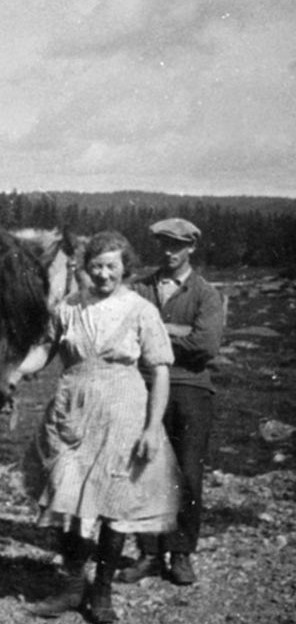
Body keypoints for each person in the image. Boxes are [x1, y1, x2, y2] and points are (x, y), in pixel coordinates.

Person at [21, 230, 180, 624]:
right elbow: (44, 350)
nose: (104, 274)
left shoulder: (141, 310)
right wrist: (13, 371)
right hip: (71, 412)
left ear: (125, 268)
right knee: (64, 493)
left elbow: (160, 372)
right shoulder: (69, 308)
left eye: (112, 266)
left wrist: (151, 428)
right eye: (97, 266)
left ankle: (102, 590)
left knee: (115, 503)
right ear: (86, 268)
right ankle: (73, 584)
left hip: (124, 413)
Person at [119, 218, 224, 586]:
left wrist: (155, 333)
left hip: (189, 390)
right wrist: (177, 332)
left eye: (177, 245)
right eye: (164, 243)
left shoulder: (205, 294)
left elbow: (205, 347)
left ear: (191, 248)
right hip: (142, 388)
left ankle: (180, 553)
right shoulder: (140, 288)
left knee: (187, 474)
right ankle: (148, 552)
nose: (169, 251)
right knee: (142, 470)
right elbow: (123, 333)